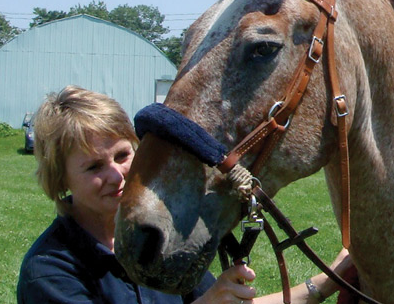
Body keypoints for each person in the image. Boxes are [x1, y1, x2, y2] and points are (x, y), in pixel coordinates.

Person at [18, 85, 352, 304]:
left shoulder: (150, 238)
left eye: (122, 155)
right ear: (60, 180)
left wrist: (325, 281)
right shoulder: (49, 272)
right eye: (93, 168)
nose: (115, 174)